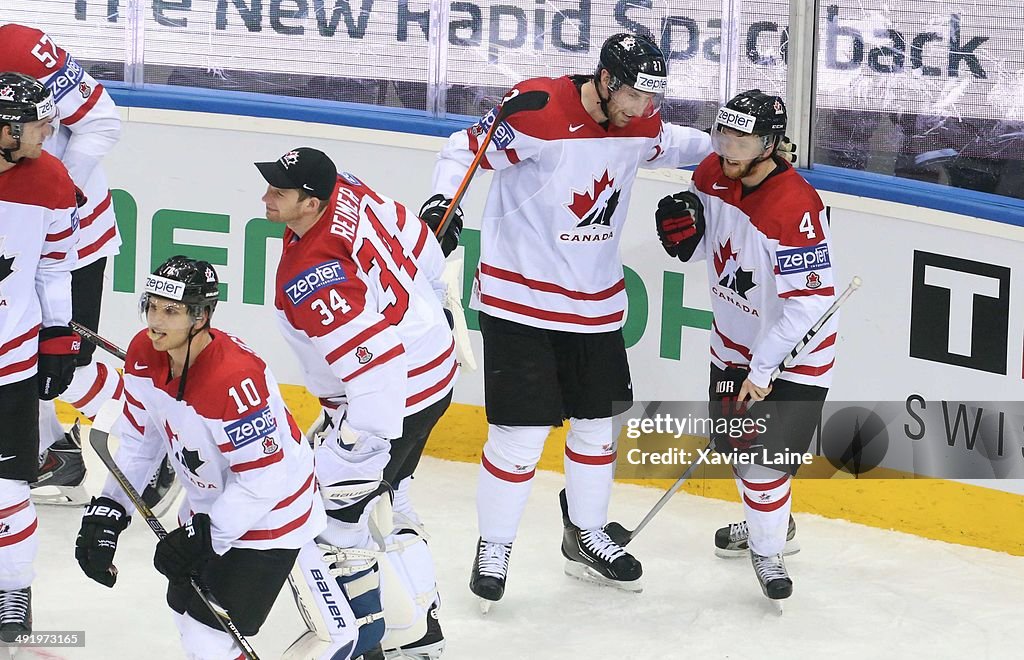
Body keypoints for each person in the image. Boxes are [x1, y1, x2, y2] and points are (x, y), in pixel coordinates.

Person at [422, 31, 712, 606]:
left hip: (596, 306)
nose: (642, 108)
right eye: (632, 94)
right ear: (604, 79)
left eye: (651, 98)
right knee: (521, 436)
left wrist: (755, 152)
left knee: (595, 430)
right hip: (518, 302)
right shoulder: (536, 109)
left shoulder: (641, 125)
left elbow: (695, 146)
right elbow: (465, 148)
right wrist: (440, 202)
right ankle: (495, 545)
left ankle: (587, 535)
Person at [73, 256, 327, 658]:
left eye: (171, 311)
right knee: (187, 618)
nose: (156, 321)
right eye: (152, 306)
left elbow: (266, 479)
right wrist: (109, 509)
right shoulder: (144, 353)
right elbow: (141, 442)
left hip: (270, 518)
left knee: (207, 638)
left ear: (202, 315)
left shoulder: (234, 379)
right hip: (209, 508)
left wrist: (208, 535)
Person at [259, 147, 456, 659]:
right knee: (394, 503)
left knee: (328, 524)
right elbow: (417, 238)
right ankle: (419, 633)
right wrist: (438, 305)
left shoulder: (311, 273)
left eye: (279, 192)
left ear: (311, 201)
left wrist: (354, 446)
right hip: (431, 367)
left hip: (392, 396)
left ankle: (364, 642)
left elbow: (377, 365)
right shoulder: (350, 189)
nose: (266, 197)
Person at [653, 89, 837, 602]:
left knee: (767, 460)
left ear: (771, 143)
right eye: (723, 134)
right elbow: (712, 242)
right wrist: (688, 228)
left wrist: (762, 370)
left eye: (743, 138)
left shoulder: (795, 207)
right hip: (733, 341)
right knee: (738, 447)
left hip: (796, 353)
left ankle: (769, 548)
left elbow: (807, 307)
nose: (728, 148)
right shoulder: (712, 173)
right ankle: (770, 522)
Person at [0, 22, 178, 509]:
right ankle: (51, 452)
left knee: (64, 361)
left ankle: (159, 445)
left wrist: (56, 193)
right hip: (11, 243)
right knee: (13, 361)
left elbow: (101, 120)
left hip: (68, 243)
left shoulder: (20, 47)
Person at [0, 71, 81, 641]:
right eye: (37, 123)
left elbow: (55, 265)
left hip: (8, 362)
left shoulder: (52, 179)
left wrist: (56, 337)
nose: (49, 130)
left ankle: (13, 590)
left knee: (7, 491)